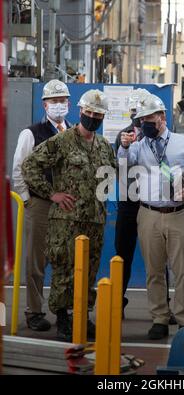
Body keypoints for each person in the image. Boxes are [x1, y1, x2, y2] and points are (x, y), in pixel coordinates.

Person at [22, 89, 115, 341]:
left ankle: (82, 315)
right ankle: (63, 318)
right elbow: (29, 166)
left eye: (98, 114)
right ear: (81, 111)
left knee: (90, 271)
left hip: (94, 220)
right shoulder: (62, 141)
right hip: (65, 220)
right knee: (64, 270)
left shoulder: (105, 146)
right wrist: (51, 193)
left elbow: (110, 174)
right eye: (89, 113)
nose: (93, 117)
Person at [118, 94, 184, 339]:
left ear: (162, 117)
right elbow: (124, 167)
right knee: (154, 270)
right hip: (148, 214)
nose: (146, 122)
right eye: (142, 119)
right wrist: (124, 146)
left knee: (182, 271)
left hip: (178, 214)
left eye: (150, 118)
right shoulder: (137, 146)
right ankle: (159, 317)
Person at [12, 79, 71, 332]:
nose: (58, 105)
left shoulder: (73, 132)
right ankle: (34, 311)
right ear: (45, 104)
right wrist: (27, 199)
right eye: (54, 101)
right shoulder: (31, 133)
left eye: (62, 101)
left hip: (68, 207)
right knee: (36, 261)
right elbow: (18, 169)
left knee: (65, 261)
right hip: (39, 205)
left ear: (68, 104)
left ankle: (63, 311)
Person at [115, 89, 177, 324]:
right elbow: (121, 165)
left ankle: (164, 307)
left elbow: (167, 167)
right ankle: (117, 301)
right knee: (123, 255)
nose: (142, 119)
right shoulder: (125, 136)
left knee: (160, 259)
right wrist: (127, 147)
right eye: (137, 114)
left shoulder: (163, 138)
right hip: (129, 203)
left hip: (154, 204)